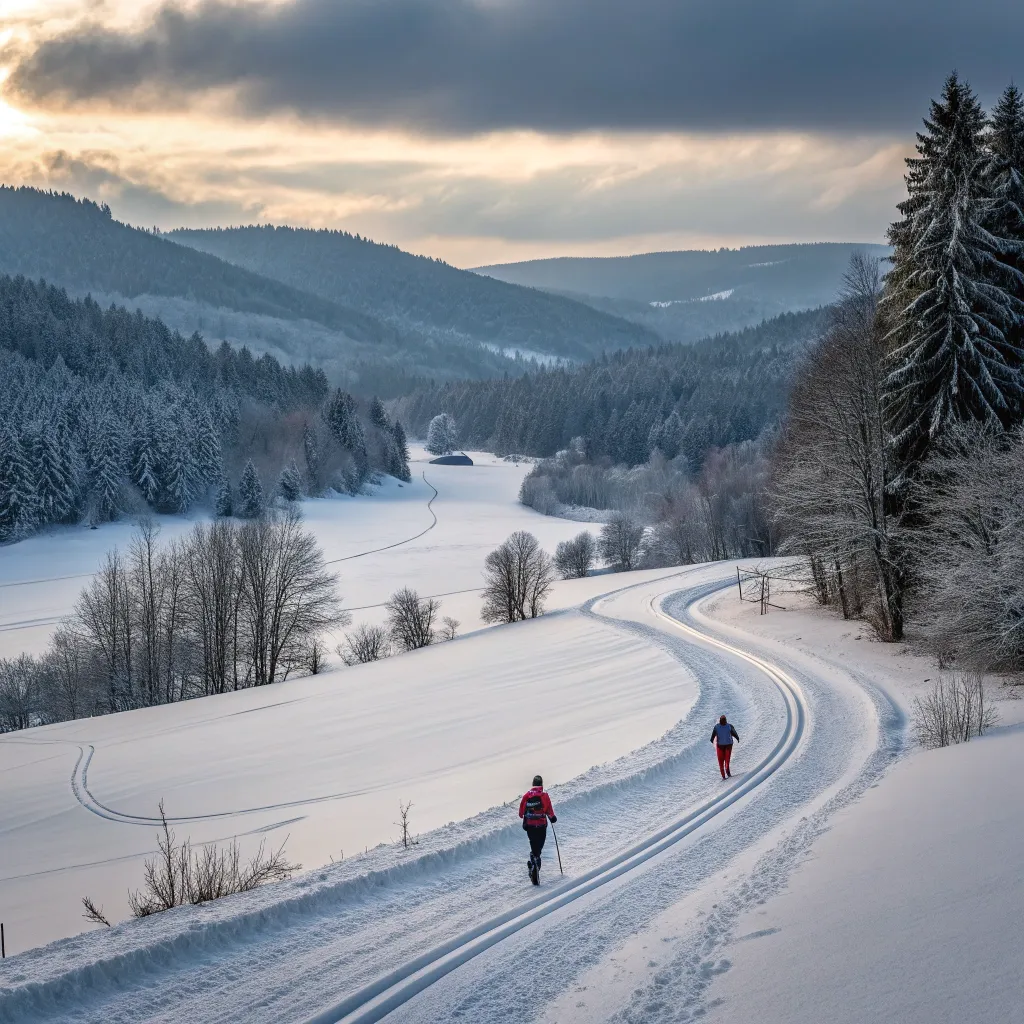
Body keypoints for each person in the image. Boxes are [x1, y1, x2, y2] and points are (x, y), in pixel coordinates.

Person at [518, 774, 557, 884]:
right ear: (541, 785)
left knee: (533, 845)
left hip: (530, 827)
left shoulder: (526, 796)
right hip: (541, 826)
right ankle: (535, 865)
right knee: (539, 848)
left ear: (533, 784)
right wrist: (552, 817)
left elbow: (521, 814)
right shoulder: (544, 796)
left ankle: (533, 864)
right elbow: (549, 810)